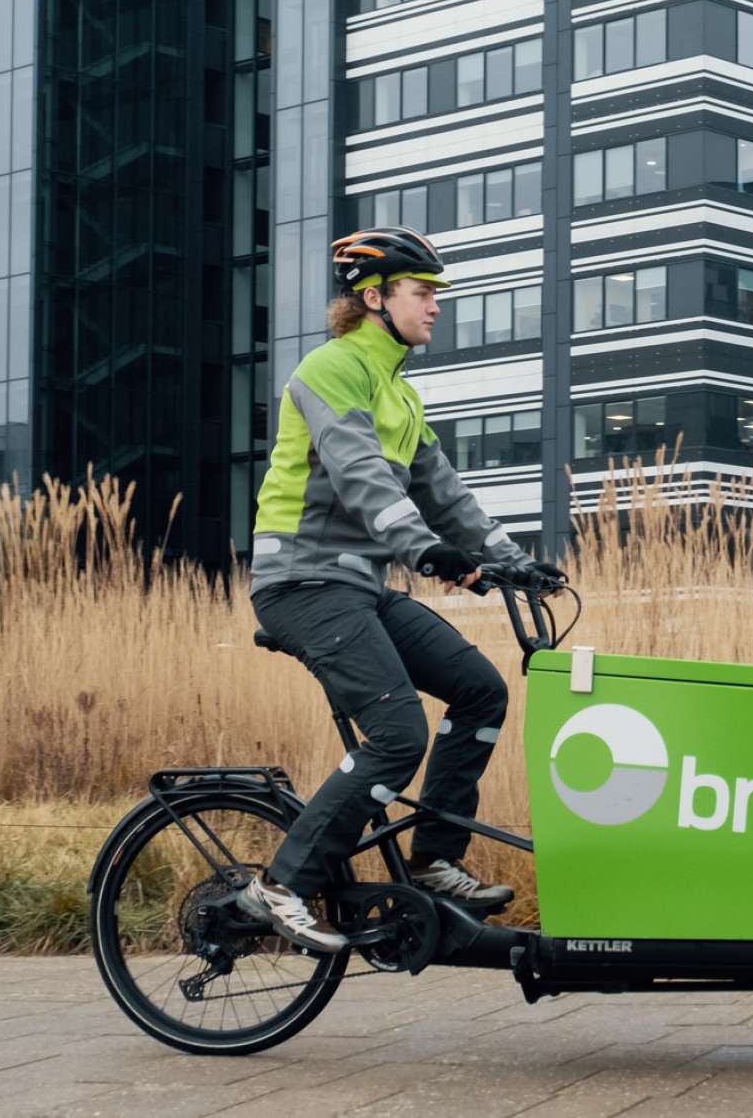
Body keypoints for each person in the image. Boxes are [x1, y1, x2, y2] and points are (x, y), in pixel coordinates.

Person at [235, 227, 565, 955]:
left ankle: (434, 858)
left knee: (480, 690)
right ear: (375, 297)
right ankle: (281, 883)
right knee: (397, 732)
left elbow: (446, 496)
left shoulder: (399, 392)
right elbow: (362, 479)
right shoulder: (330, 370)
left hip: (359, 587)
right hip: (302, 583)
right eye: (423, 292)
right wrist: (430, 553)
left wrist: (513, 559)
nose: (435, 306)